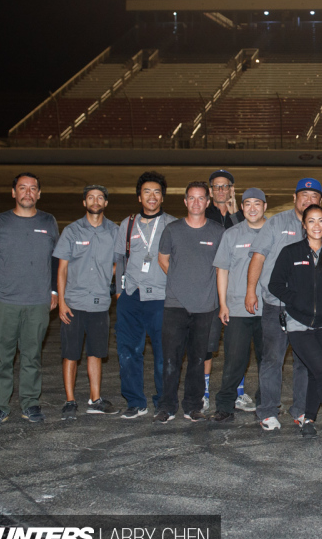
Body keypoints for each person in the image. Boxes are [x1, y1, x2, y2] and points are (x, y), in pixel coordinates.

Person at [268, 205, 322, 441]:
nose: (316, 226)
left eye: (321, 221)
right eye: (311, 221)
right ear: (304, 225)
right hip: (299, 323)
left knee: (316, 372)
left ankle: (308, 420)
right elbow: (275, 285)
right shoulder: (290, 252)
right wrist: (297, 302)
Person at [0, 172, 59, 426]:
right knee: (1, 356)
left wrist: (54, 291)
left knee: (32, 356)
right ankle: (0, 405)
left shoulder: (49, 221)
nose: (27, 192)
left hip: (37, 302)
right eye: (22, 188)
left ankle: (30, 403)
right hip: (3, 301)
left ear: (39, 194)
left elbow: (57, 261)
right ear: (13, 193)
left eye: (33, 188)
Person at [248, 178, 321, 431]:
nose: (308, 200)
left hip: (306, 308)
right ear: (294, 197)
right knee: (272, 359)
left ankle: (300, 410)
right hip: (275, 305)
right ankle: (267, 410)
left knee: (305, 361)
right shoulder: (276, 223)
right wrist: (250, 291)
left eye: (314, 196)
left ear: (320, 201)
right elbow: (258, 257)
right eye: (304, 195)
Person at [155, 181, 225, 423]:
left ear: (208, 202)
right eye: (191, 198)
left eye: (201, 198)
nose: (196, 202)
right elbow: (163, 259)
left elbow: (221, 268)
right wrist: (178, 284)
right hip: (175, 305)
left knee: (197, 359)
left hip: (205, 306)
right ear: (185, 201)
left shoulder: (217, 232)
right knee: (171, 360)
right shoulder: (172, 230)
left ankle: (193, 406)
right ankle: (166, 406)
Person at [53, 184, 119, 419]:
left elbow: (119, 263)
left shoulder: (114, 231)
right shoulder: (72, 231)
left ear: (105, 203)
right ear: (84, 203)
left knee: (96, 353)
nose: (95, 201)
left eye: (100, 197)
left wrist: (113, 283)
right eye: (90, 197)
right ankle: (70, 400)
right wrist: (61, 302)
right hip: (74, 303)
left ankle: (95, 398)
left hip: (100, 304)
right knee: (71, 354)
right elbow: (61, 269)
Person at [114, 171, 176, 419]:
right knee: (128, 352)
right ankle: (135, 402)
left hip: (161, 297)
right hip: (131, 295)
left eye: (157, 192)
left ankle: (163, 402)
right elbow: (119, 257)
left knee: (164, 355)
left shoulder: (173, 224)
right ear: (139, 196)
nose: (152, 196)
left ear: (163, 197)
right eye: (147, 192)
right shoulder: (127, 223)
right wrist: (119, 293)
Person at [209, 187, 269, 423]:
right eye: (247, 204)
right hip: (237, 308)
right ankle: (225, 406)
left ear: (265, 206)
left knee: (268, 361)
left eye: (257, 203)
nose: (252, 208)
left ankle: (266, 404)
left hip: (268, 309)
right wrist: (223, 304)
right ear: (241, 207)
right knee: (234, 361)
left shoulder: (274, 232)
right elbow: (222, 270)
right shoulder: (232, 235)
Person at [202, 169, 243, 412]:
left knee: (237, 344)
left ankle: (239, 391)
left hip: (235, 291)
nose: (221, 190)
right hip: (209, 292)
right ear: (210, 191)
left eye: (225, 186)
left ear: (231, 190)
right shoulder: (202, 215)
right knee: (207, 345)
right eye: (216, 186)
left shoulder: (239, 218)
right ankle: (204, 392)